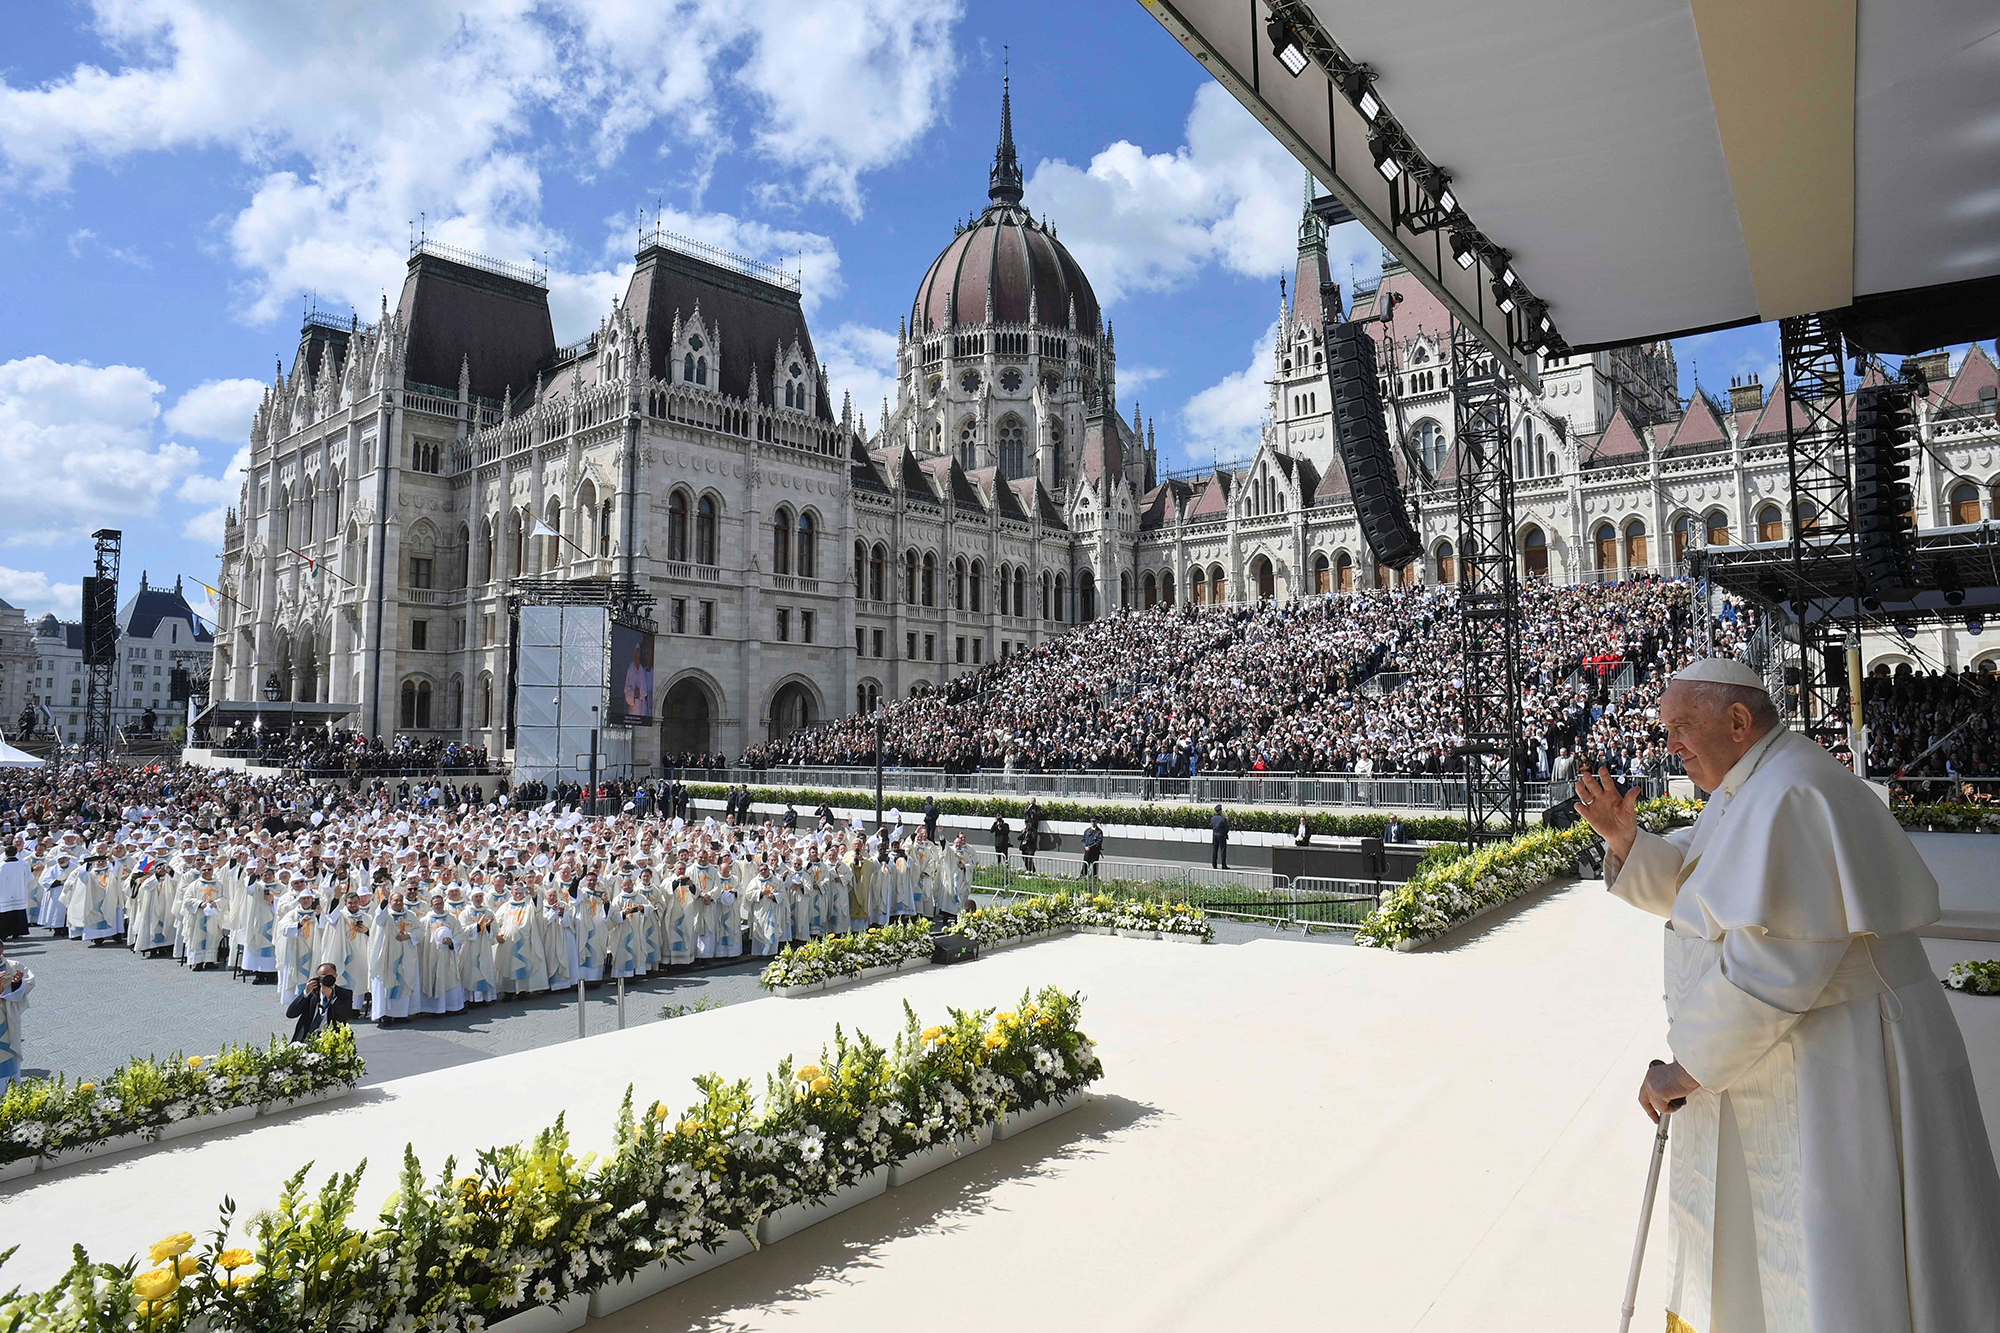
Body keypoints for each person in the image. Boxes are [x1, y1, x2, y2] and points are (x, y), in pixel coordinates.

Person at [1576, 658, 2000, 1332]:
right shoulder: (1754, 783)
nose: (1671, 745)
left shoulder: (1795, 790)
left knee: (1838, 1260)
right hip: (1800, 1053)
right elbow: (1707, 883)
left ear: (1737, 721)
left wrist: (1686, 1067)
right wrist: (1629, 842)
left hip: (1845, 1061)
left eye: (1682, 727)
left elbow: (1777, 957)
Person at [285, 962, 356, 1042]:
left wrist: (332, 997)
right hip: (307, 1037)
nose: (325, 980)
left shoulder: (344, 993)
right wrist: (305, 993)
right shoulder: (312, 992)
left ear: (335, 976)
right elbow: (290, 1014)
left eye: (328, 977)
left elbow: (346, 1016)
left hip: (331, 1039)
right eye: (322, 977)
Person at [0, 951, 31, 1088]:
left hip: (6, 1015)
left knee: (6, 1049)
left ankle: (7, 1091)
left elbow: (28, 983)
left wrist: (17, 984)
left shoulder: (13, 966)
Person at [1021, 800, 1043, 875]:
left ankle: (1032, 872)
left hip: (1034, 826)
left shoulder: (1037, 808)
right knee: (1025, 859)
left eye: (1034, 801)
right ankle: (1030, 870)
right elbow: (1025, 812)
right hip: (1025, 846)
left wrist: (1034, 812)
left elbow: (1040, 814)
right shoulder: (1028, 807)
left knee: (1030, 859)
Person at [1209, 804, 1229, 870]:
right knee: (1223, 850)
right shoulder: (1223, 819)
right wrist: (1225, 833)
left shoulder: (1213, 819)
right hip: (1222, 835)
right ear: (1220, 811)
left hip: (1214, 835)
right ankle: (1223, 865)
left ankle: (1214, 864)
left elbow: (1211, 825)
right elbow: (1226, 828)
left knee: (1215, 849)